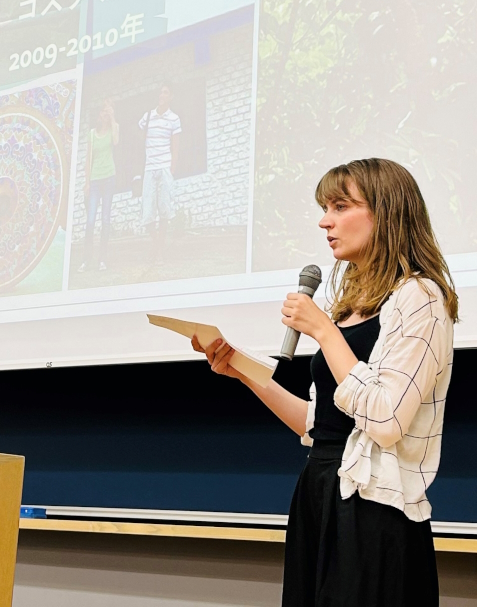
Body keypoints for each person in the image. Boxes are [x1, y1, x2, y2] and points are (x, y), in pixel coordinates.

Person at [194, 158, 456, 607]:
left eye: (339, 207)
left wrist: (324, 332)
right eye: (324, 208)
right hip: (320, 490)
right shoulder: (349, 307)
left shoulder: (421, 298)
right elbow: (318, 423)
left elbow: (388, 418)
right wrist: (241, 370)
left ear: (385, 212)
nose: (324, 221)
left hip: (374, 507)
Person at [138, 85, 181, 262]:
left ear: (171, 96)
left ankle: (159, 253)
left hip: (164, 168)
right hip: (149, 167)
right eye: (160, 92)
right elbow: (139, 138)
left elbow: (176, 146)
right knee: (147, 214)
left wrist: (171, 169)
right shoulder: (148, 116)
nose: (162, 95)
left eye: (165, 92)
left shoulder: (174, 119)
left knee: (164, 212)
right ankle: (158, 245)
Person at [79, 100, 119, 273]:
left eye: (106, 112)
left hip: (109, 178)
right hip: (95, 180)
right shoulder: (92, 134)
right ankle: (87, 260)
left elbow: (116, 142)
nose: (104, 114)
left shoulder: (113, 129)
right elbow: (88, 159)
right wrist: (87, 182)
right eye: (102, 112)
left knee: (105, 220)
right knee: (90, 220)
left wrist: (113, 117)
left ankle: (102, 259)